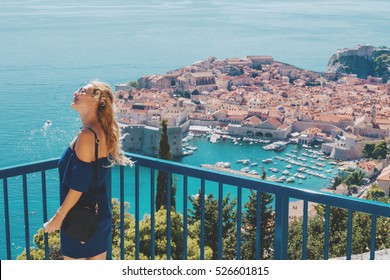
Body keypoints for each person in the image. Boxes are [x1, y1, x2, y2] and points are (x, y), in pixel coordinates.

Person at [44, 81, 133, 260]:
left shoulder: (87, 136)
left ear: (96, 100)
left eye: (83, 91)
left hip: (78, 220)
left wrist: (58, 218)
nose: (76, 92)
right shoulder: (101, 132)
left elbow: (78, 186)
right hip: (99, 217)